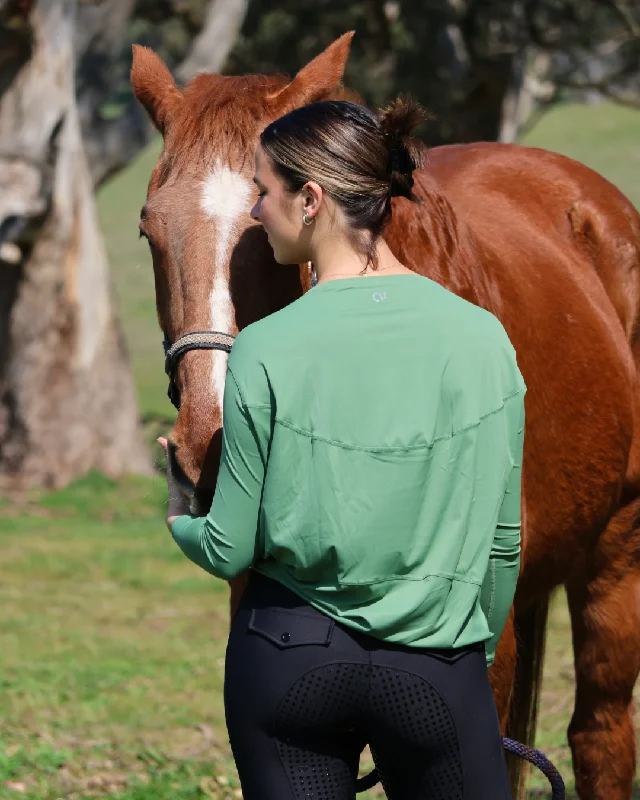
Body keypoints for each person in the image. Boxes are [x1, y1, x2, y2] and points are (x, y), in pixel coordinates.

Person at [159, 98, 525, 800]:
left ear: (312, 198)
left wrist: (179, 504)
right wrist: (466, 655)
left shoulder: (264, 346)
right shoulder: (483, 339)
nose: (257, 212)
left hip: (288, 664)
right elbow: (501, 546)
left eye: (264, 192)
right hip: (436, 667)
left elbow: (229, 549)